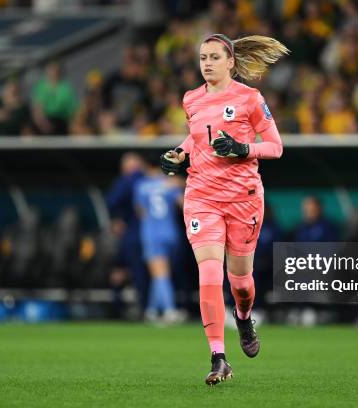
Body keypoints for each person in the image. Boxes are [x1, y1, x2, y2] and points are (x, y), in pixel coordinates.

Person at [160, 33, 288, 385]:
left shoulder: (250, 98)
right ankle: (219, 357)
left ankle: (243, 317)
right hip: (201, 195)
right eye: (203, 57)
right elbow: (197, 135)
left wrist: (242, 148)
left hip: (243, 197)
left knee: (241, 283)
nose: (207, 63)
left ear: (230, 62)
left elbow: (275, 147)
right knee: (209, 273)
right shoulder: (191, 99)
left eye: (215, 57)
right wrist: (180, 153)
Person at [134, 156, 184, 324]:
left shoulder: (141, 186)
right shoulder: (172, 183)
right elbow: (183, 204)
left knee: (161, 274)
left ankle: (169, 310)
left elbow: (140, 212)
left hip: (152, 233)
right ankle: (152, 310)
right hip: (170, 232)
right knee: (160, 273)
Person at [106, 153, 147, 317]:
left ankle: (118, 308)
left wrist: (116, 218)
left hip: (133, 234)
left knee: (127, 271)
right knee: (135, 272)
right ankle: (142, 308)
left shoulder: (129, 180)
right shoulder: (151, 179)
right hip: (147, 234)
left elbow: (112, 200)